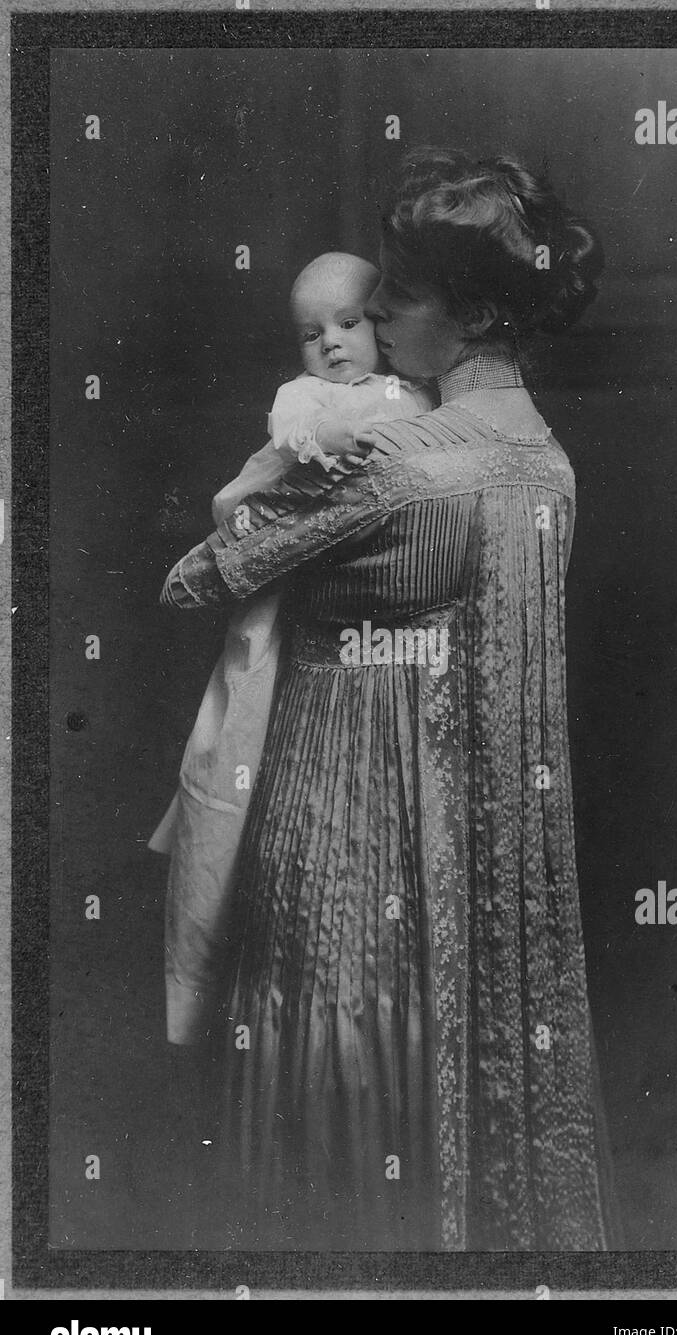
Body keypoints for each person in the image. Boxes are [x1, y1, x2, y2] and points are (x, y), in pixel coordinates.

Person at [160, 148, 619, 1252]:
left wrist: (254, 490)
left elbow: (191, 581)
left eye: (396, 298)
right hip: (475, 857)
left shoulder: (398, 463)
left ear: (462, 314)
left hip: (347, 830)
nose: (374, 317)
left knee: (342, 1064)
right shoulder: (547, 462)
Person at [152, 253, 434, 1046]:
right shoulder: (308, 398)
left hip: (352, 617)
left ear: (380, 323)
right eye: (312, 335)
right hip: (280, 585)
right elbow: (267, 476)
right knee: (237, 736)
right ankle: (201, 999)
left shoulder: (407, 396)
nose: (333, 346)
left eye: (349, 324)